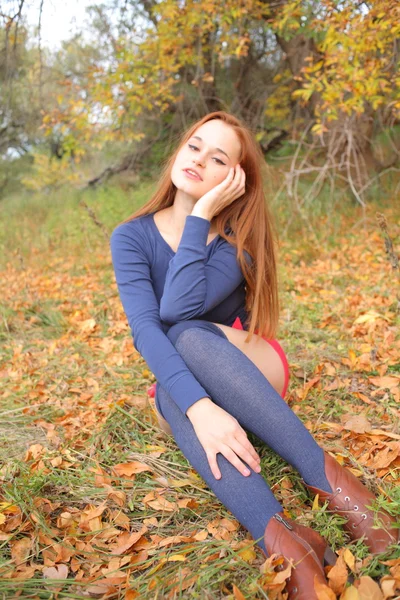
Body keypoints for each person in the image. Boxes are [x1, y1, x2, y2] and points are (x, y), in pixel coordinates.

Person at [110, 111, 398, 599]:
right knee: (174, 386)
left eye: (218, 157)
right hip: (184, 383)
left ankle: (337, 489)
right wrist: (200, 409)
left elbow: (179, 312)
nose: (199, 159)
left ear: (235, 180)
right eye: (195, 146)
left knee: (186, 336)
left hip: (248, 366)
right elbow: (144, 329)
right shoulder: (131, 236)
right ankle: (288, 546)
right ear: (179, 151)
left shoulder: (234, 237)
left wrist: (200, 216)